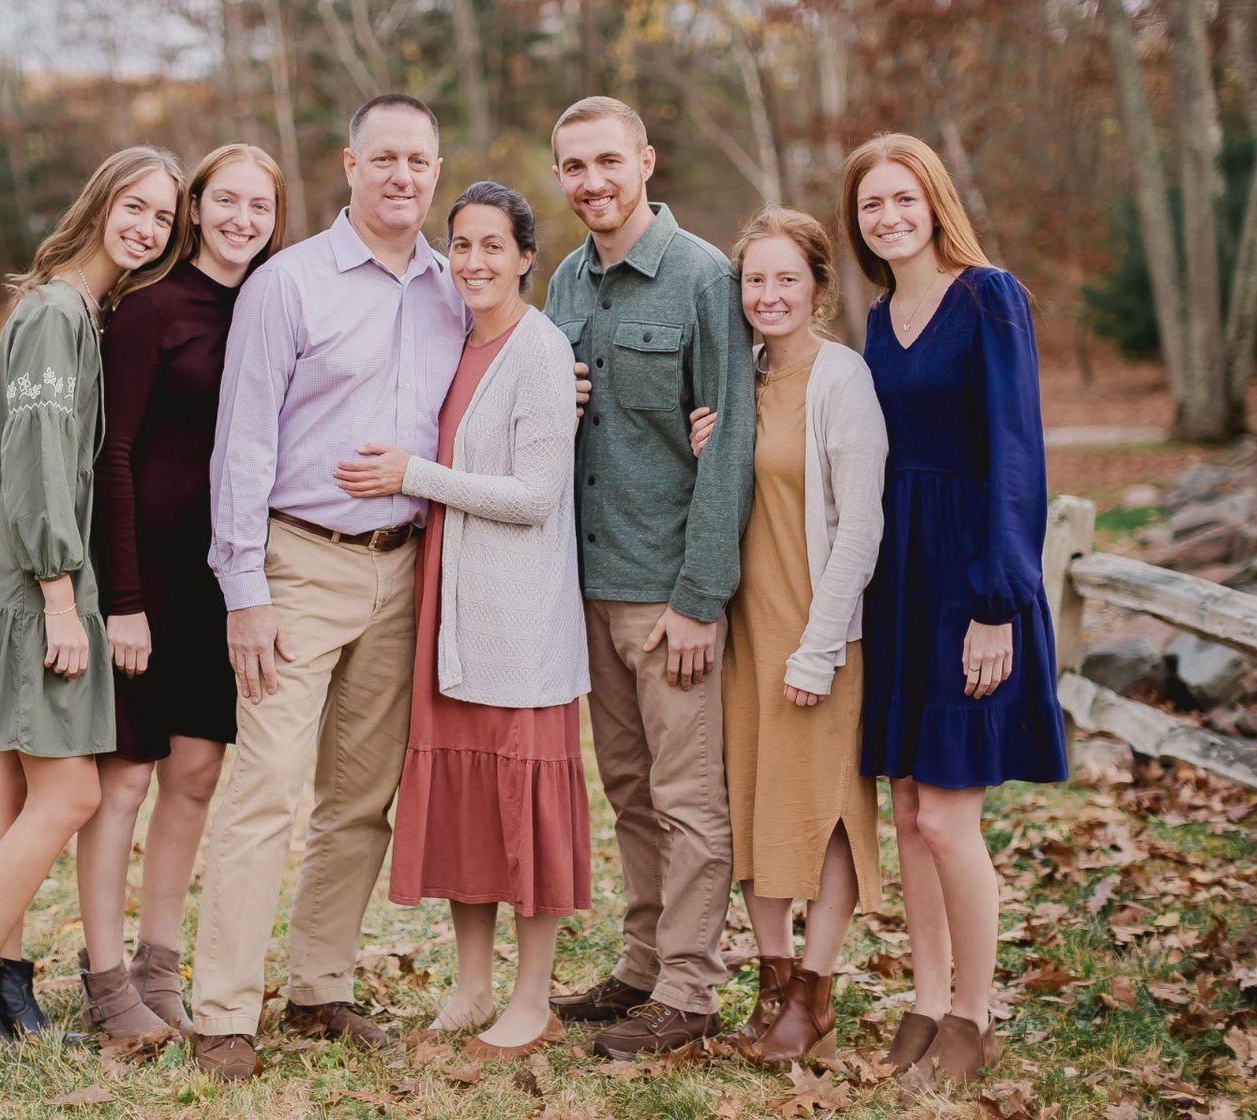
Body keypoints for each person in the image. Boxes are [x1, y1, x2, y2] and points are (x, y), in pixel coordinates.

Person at [188, 94, 469, 1082]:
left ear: (435, 171)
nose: (403, 175)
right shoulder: (288, 283)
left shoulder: (453, 286)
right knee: (264, 787)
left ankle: (320, 985)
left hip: (405, 566)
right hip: (298, 562)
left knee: (360, 798)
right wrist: (244, 585)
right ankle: (222, 1008)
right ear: (348, 163)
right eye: (383, 156)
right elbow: (243, 439)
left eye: (418, 160)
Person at [0, 145, 186, 1052]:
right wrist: (63, 599)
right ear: (101, 199)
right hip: (32, 591)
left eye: (162, 219)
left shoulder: (79, 310)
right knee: (67, 797)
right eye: (135, 207)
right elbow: (35, 469)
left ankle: (4, 990)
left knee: (10, 795)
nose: (147, 229)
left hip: (19, 583)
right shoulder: (58, 314)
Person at [336, 182, 590, 1061]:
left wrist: (414, 473)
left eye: (494, 246)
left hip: (519, 620)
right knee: (466, 806)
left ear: (527, 258)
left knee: (524, 808)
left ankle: (532, 996)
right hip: (449, 613)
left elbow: (534, 497)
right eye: (463, 247)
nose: (476, 263)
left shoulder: (541, 349)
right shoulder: (452, 343)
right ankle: (474, 985)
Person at [846, 132, 1067, 1083]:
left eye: (904, 198)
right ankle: (926, 1002)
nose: (889, 218)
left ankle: (974, 1016)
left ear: (935, 199)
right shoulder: (877, 316)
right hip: (896, 575)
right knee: (904, 813)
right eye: (870, 206)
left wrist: (996, 604)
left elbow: (1018, 454)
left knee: (947, 820)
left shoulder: (989, 298)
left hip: (971, 575)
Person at [541, 96, 754, 1059]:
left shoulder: (708, 279)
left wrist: (700, 599)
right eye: (574, 167)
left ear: (647, 163)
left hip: (670, 597)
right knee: (627, 788)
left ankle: (690, 990)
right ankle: (640, 965)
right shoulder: (563, 286)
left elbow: (731, 449)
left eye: (608, 162)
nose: (593, 182)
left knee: (688, 799)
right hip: (588, 587)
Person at [76, 145, 287, 1045]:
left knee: (195, 776)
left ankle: (162, 972)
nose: (243, 219)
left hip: (225, 579)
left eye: (261, 206)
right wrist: (122, 599)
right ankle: (105, 980)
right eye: (226, 200)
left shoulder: (274, 311)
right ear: (195, 210)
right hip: (147, 578)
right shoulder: (149, 311)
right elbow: (111, 454)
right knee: (123, 780)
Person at [685, 208, 886, 1064]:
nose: (768, 295)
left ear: (817, 287)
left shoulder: (842, 379)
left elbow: (861, 528)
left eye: (785, 280)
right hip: (746, 629)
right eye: (754, 281)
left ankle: (816, 988)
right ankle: (770, 988)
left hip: (818, 629)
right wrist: (709, 452)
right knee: (755, 804)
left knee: (828, 810)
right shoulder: (740, 379)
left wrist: (819, 645)